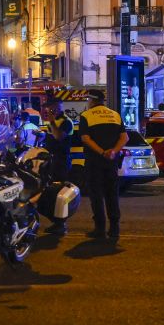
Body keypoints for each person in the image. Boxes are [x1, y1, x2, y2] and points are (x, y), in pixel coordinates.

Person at [77, 89, 128, 239]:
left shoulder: (86, 116)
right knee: (112, 194)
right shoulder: (115, 115)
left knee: (96, 195)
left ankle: (100, 229)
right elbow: (125, 138)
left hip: (94, 162)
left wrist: (101, 152)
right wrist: (113, 152)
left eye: (88, 100)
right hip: (111, 162)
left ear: (91, 100)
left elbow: (85, 139)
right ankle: (114, 229)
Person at [41, 98, 74, 235]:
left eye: (54, 108)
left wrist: (52, 121)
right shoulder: (53, 121)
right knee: (51, 192)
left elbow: (58, 136)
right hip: (52, 159)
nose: (51, 111)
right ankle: (56, 222)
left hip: (61, 161)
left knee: (59, 192)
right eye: (49, 109)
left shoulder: (66, 122)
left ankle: (61, 224)